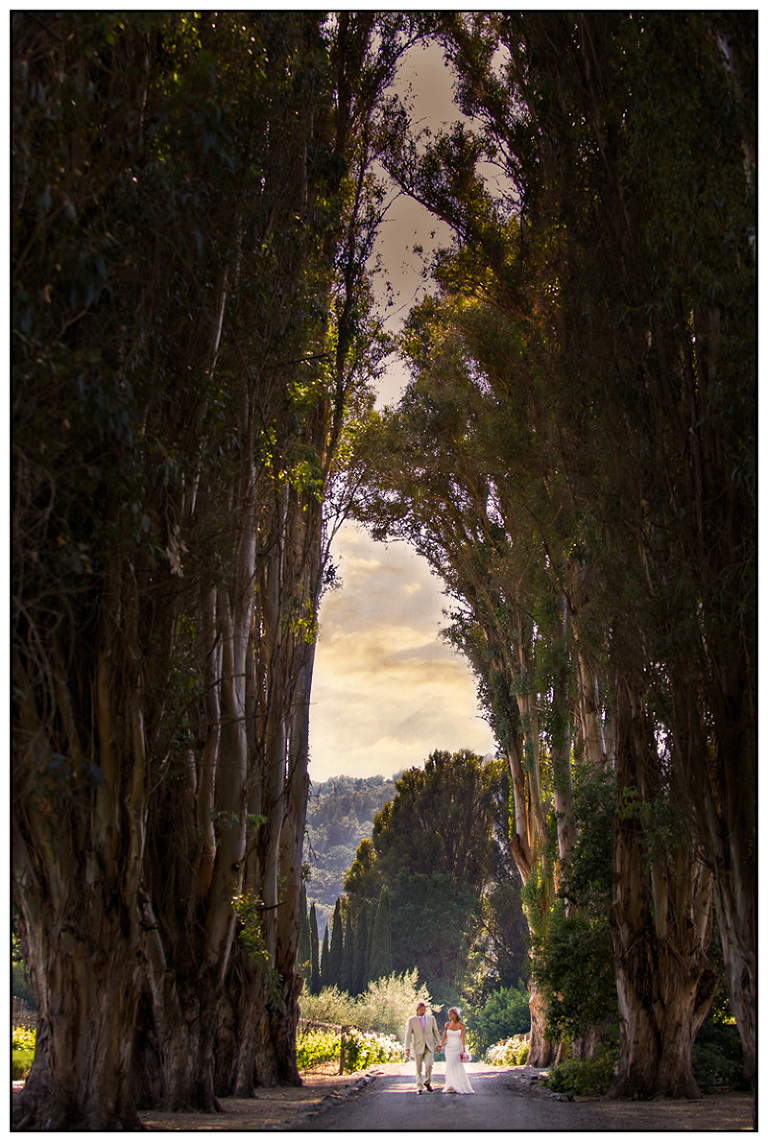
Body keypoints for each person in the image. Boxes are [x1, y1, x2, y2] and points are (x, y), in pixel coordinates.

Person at [404, 1001, 441, 1093]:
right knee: (418, 1068)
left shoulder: (431, 1019)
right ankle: (419, 1087)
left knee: (429, 1065)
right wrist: (407, 1048)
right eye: (421, 1010)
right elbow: (408, 1035)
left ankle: (427, 1082)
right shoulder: (412, 1020)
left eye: (424, 1010)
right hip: (418, 1046)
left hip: (429, 1045)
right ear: (417, 1010)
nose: (422, 1012)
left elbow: (435, 1031)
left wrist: (438, 1043)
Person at [438, 1007, 475, 1094]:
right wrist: (440, 1045)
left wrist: (463, 1049)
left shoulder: (461, 1026)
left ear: (456, 1015)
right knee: (450, 1066)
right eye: (449, 1014)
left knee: (457, 1066)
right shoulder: (447, 1025)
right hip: (449, 1049)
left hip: (457, 1048)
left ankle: (458, 1085)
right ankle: (451, 1086)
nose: (449, 1016)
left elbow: (462, 1038)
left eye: (451, 1014)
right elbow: (445, 1037)